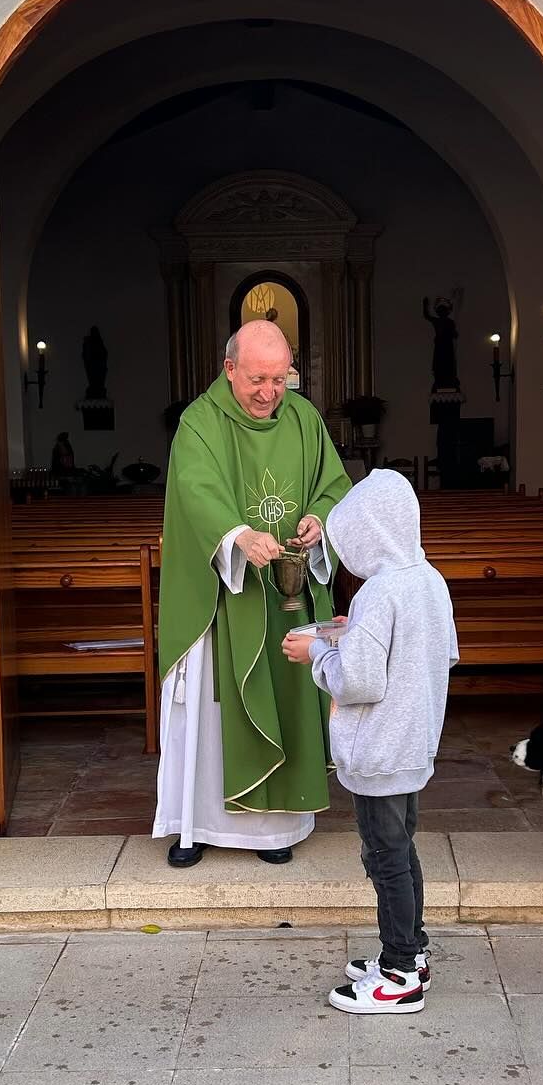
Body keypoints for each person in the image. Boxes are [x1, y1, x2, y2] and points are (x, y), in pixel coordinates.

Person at [153, 320, 351, 867]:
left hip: (287, 594)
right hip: (225, 599)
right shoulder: (199, 423)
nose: (269, 393)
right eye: (256, 380)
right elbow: (196, 494)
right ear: (230, 369)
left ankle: (272, 832)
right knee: (213, 709)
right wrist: (238, 536)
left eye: (280, 380)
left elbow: (334, 485)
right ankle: (195, 828)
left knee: (286, 695)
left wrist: (319, 519)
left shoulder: (306, 418)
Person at [282, 469, 458, 1015]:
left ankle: (400, 970)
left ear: (368, 532)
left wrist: (318, 654)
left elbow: (359, 683)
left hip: (379, 748)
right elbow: (438, 650)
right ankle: (412, 948)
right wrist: (349, 632)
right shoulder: (426, 577)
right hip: (413, 742)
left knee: (384, 858)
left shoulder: (379, 592)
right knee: (402, 851)